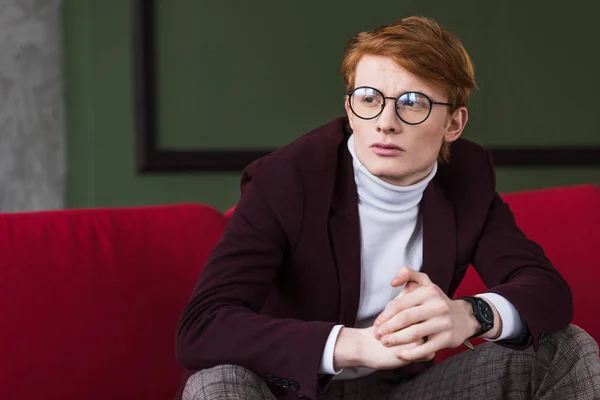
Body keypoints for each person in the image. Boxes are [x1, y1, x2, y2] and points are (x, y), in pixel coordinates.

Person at [174, 16, 600, 400]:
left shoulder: (467, 176)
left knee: (565, 350)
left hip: (405, 389)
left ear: (454, 124)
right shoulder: (285, 180)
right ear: (349, 109)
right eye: (368, 98)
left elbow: (546, 288)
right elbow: (203, 326)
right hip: (294, 389)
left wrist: (471, 314)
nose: (386, 121)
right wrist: (357, 345)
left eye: (412, 102)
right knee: (213, 385)